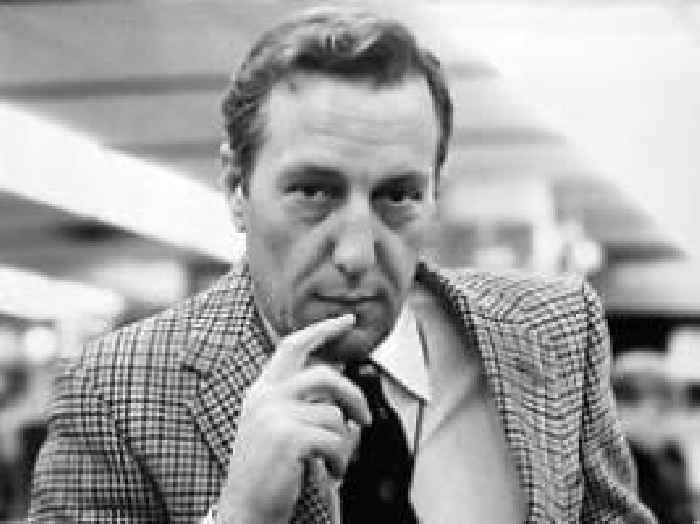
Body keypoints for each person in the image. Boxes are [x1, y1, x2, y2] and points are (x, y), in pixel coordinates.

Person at [29, 8, 657, 524]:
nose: (356, 254)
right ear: (236, 187)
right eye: (313, 192)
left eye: (398, 196)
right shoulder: (115, 392)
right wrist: (241, 517)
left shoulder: (555, 333)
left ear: (434, 193)